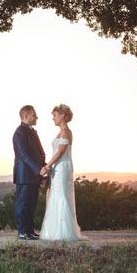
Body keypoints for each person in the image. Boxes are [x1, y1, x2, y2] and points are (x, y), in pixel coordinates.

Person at [38, 104, 86, 242]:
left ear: (62, 115)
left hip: (63, 167)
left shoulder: (66, 132)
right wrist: (51, 167)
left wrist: (47, 166)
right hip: (57, 167)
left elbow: (60, 152)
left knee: (62, 195)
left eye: (54, 115)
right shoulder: (60, 132)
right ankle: (54, 231)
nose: (53, 118)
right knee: (55, 195)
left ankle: (63, 232)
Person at [12, 105, 46, 240]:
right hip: (24, 175)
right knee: (23, 203)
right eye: (34, 115)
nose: (36, 117)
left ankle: (30, 231)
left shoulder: (33, 132)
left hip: (35, 174)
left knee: (32, 204)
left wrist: (44, 166)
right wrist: (38, 169)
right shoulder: (19, 132)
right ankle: (22, 232)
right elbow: (25, 155)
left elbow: (40, 152)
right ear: (26, 116)